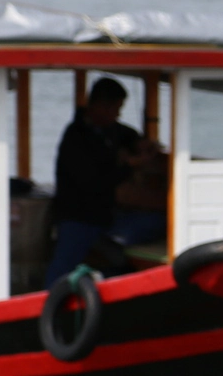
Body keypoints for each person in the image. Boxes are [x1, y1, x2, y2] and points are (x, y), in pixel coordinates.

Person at [47, 77, 167, 286]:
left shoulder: (109, 130)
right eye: (116, 109)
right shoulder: (76, 139)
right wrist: (129, 165)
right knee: (61, 268)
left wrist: (139, 143)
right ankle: (48, 305)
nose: (118, 114)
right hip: (79, 215)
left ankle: (106, 276)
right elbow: (97, 183)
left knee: (155, 222)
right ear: (101, 106)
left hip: (108, 215)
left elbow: (126, 133)